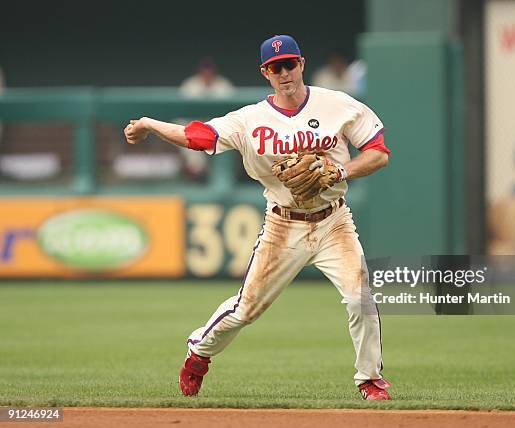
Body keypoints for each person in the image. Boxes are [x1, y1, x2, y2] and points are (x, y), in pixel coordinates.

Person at [124, 35, 392, 400]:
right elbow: (198, 136)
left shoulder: (338, 104)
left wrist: (341, 172)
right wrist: (150, 124)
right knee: (246, 310)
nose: (284, 73)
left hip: (334, 221)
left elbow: (378, 153)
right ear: (265, 73)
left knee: (360, 297)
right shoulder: (250, 119)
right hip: (284, 225)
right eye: (275, 67)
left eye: (289, 64)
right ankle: (199, 352)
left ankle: (370, 379)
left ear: (302, 64)